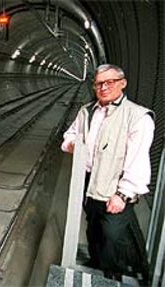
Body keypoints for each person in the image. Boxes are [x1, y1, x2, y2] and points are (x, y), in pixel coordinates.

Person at [61, 64, 155, 280]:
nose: (103, 87)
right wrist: (73, 144)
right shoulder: (87, 111)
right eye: (99, 83)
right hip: (89, 181)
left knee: (114, 234)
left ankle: (123, 275)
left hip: (116, 186)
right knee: (93, 228)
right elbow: (69, 136)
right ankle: (98, 266)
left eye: (109, 82)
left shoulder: (138, 117)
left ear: (122, 83)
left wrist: (123, 194)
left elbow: (137, 160)